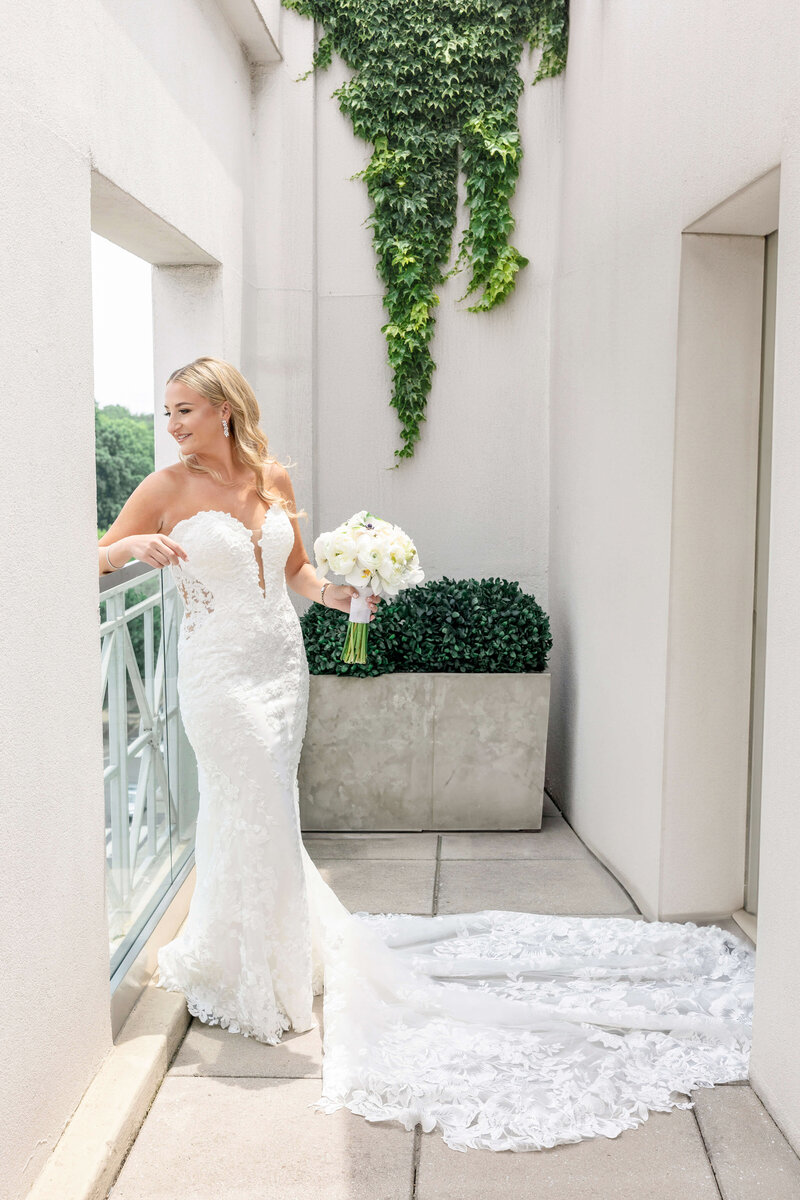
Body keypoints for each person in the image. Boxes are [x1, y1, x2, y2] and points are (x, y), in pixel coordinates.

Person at [98, 356, 756, 1154]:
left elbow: (298, 573)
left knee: (269, 809)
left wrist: (348, 595)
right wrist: (136, 544)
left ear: (227, 410)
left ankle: (264, 955)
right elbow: (96, 555)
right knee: (254, 810)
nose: (173, 426)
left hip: (279, 668)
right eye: (167, 413)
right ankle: (250, 972)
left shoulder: (271, 479)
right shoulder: (167, 488)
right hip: (215, 677)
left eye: (185, 411)